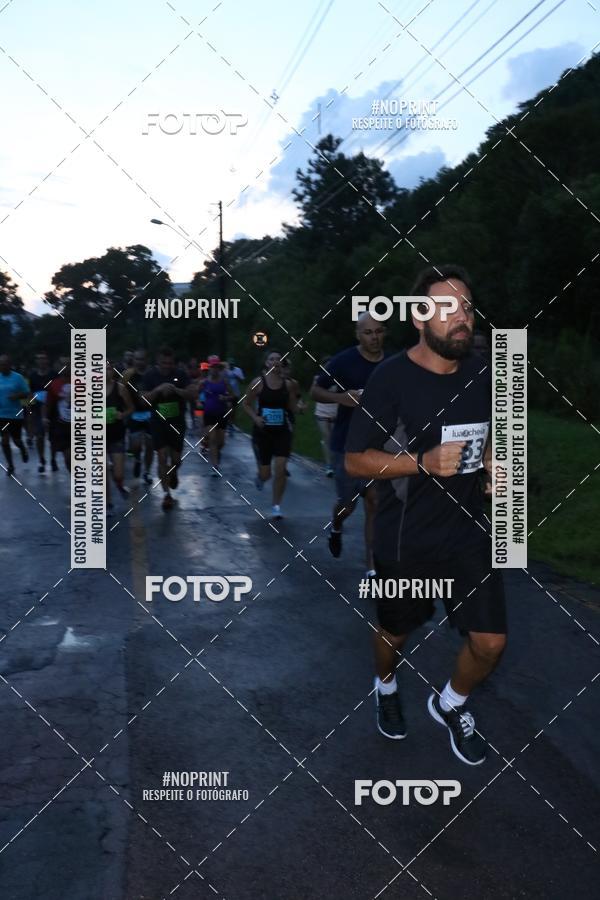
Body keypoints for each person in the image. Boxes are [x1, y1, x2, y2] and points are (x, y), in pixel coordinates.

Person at [345, 265, 506, 766]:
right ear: (419, 317)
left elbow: (483, 438)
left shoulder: (482, 373)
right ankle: (385, 685)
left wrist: (489, 465)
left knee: (490, 642)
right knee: (395, 633)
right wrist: (422, 463)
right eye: (448, 309)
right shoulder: (390, 377)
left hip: (465, 532)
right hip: (404, 538)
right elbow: (355, 460)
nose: (463, 320)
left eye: (468, 308)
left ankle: (450, 703)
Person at [311, 313, 386, 576]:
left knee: (375, 501)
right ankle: (337, 525)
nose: (374, 337)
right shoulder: (343, 361)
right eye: (368, 332)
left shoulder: (393, 362)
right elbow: (316, 391)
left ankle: (372, 567)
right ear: (358, 334)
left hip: (379, 446)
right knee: (348, 504)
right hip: (346, 445)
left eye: (378, 331)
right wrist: (342, 398)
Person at [243, 350, 296, 519]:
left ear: (281, 363)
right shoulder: (257, 383)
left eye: (278, 359)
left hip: (282, 431)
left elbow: (292, 406)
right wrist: (256, 417)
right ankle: (260, 477)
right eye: (272, 359)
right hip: (263, 433)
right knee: (267, 474)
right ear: (266, 363)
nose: (275, 361)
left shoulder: (288, 385)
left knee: (280, 468)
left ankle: (276, 506)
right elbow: (246, 403)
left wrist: (300, 408)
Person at [142, 347, 195, 510]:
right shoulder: (150, 375)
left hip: (177, 422)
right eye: (163, 363)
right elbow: (144, 400)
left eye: (170, 363)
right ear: (158, 361)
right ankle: (167, 495)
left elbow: (191, 394)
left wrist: (175, 389)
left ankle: (173, 473)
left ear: (174, 362)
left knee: (176, 460)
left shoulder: (181, 374)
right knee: (162, 457)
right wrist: (158, 390)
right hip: (158, 422)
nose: (166, 366)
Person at [105, 360, 134, 514]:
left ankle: (119, 484)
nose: (105, 372)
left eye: (108, 369)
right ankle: (108, 503)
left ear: (113, 371)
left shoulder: (120, 389)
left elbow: (130, 408)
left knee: (118, 474)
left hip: (117, 435)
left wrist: (122, 414)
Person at [123, 349, 154, 484]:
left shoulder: (152, 374)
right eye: (136, 359)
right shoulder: (128, 374)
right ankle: (137, 459)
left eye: (141, 359)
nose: (139, 362)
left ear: (146, 360)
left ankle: (147, 472)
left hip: (150, 414)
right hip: (134, 413)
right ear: (133, 360)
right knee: (136, 446)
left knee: (149, 445)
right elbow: (120, 391)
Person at [202, 356, 233, 474]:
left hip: (221, 414)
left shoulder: (224, 381)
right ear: (209, 368)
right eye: (212, 367)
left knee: (221, 442)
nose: (214, 369)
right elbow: (196, 393)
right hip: (209, 414)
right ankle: (215, 466)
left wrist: (225, 398)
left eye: (216, 367)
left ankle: (216, 452)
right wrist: (198, 401)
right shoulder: (204, 382)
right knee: (213, 439)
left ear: (219, 368)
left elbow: (233, 396)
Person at [0, 354, 29, 476]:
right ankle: (10, 465)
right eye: (1, 364)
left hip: (15, 415)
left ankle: (22, 448)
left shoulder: (18, 378)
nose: (2, 366)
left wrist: (16, 396)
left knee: (16, 440)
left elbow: (27, 393)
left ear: (10, 365)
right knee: (5, 441)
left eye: (5, 364)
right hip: (2, 415)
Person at [28, 351, 57, 473]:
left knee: (53, 437)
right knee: (40, 436)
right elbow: (30, 392)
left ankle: (53, 459)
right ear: (36, 361)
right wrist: (29, 407)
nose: (41, 361)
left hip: (53, 408)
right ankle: (41, 459)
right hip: (37, 408)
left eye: (43, 358)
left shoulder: (54, 374)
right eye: (39, 358)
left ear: (47, 360)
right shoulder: (33, 375)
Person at [45, 358, 72, 473]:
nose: (66, 367)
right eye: (63, 365)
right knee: (68, 458)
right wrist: (45, 418)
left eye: (68, 365)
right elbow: (48, 403)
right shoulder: (54, 384)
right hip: (62, 425)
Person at [312, 355, 337, 477]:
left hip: (336, 413)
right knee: (327, 438)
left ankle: (337, 463)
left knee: (335, 440)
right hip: (322, 412)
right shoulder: (318, 378)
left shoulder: (339, 378)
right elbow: (313, 393)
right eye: (326, 365)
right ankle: (329, 465)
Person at [225, 358, 245, 434]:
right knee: (229, 408)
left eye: (232, 365)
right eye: (230, 365)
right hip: (227, 393)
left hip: (236, 393)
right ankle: (228, 423)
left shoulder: (238, 370)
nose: (231, 366)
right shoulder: (226, 371)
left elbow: (242, 381)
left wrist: (237, 377)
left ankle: (231, 424)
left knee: (234, 410)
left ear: (234, 365)